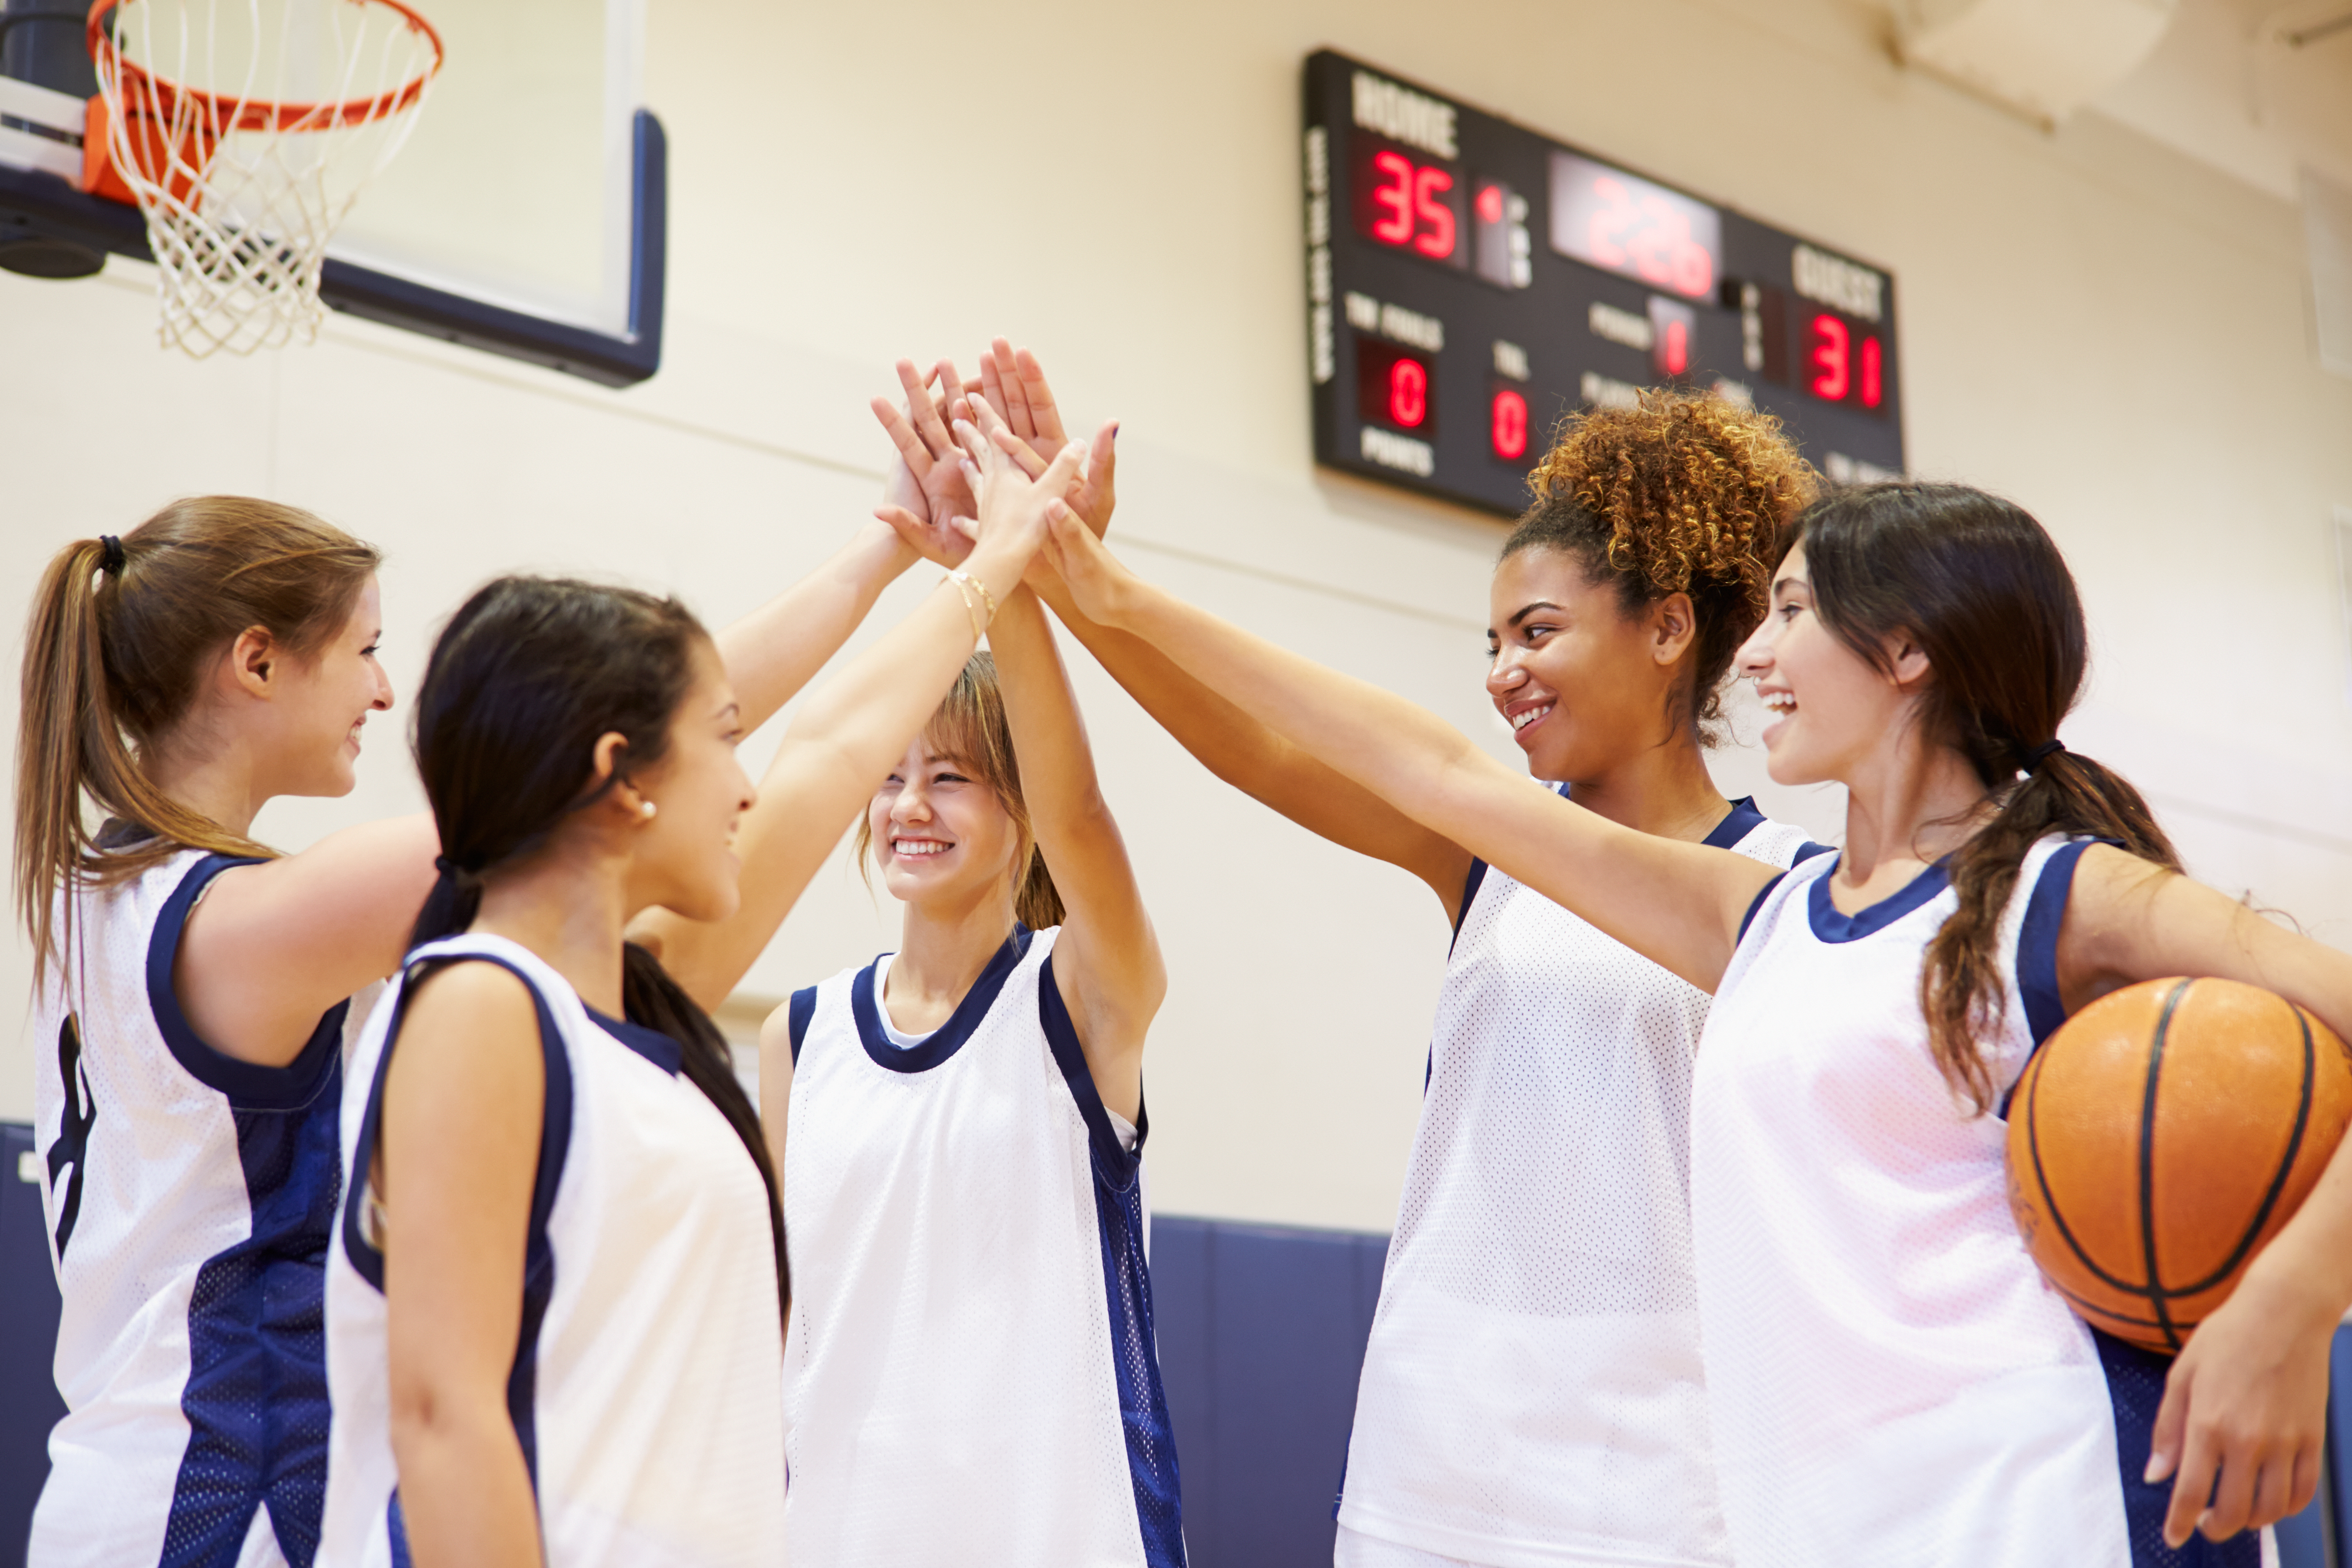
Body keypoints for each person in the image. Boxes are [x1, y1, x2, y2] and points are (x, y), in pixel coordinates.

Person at [1038, 477, 2352, 1567]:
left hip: (2039, 1481)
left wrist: (2284, 1307)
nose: (1760, 653)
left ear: (1907, 651)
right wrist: (1105, 590)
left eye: (1791, 613)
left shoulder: (2063, 889)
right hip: (1820, 1516)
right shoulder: (1765, 918)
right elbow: (1425, 768)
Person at [929, 348, 1825, 1568]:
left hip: (1662, 1476)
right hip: (1433, 1447)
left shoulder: (1780, 891)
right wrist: (1063, 574)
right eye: (1494, 638)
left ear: (1669, 627)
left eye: (1539, 630)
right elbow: (1252, 744)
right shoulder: (1481, 860)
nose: (1506, 669)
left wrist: (1108, 585)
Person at [14, 493, 992, 1568]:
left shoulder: (102, 896)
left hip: (138, 1472)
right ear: (255, 663)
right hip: (219, 1494)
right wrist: (896, 563)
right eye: (365, 650)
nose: (383, 690)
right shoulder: (248, 924)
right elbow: (571, 774)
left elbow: (650, 752)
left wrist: (892, 549)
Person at [318, 433, 1082, 1566]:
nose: (747, 782)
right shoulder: (480, 1005)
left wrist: (954, 563)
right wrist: (983, 571)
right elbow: (444, 1419)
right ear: (622, 780)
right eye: (724, 742)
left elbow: (833, 749)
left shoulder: (630, 1007)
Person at [764, 391, 1180, 1566]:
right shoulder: (799, 1035)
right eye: (892, 773)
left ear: (1017, 808)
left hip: (1058, 1529)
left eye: (950, 775)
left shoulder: (1082, 993)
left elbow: (1083, 809)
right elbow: (781, 1320)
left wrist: (1014, 578)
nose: (907, 803)